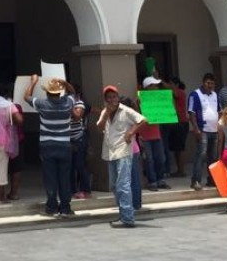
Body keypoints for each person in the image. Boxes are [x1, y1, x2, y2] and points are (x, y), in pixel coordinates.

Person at [24, 74, 79, 217]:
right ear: (59, 92)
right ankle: (65, 208)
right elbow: (73, 92)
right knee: (64, 178)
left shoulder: (42, 104)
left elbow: (26, 96)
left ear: (47, 92)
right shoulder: (68, 103)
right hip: (64, 145)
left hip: (47, 145)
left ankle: (51, 207)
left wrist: (33, 82)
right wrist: (64, 82)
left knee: (50, 178)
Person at [97, 85, 147, 228]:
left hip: (123, 150)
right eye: (109, 97)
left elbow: (142, 120)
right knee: (114, 185)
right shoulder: (105, 112)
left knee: (123, 184)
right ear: (106, 100)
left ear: (118, 98)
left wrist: (131, 132)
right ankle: (123, 213)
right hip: (109, 151)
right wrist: (106, 114)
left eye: (114, 97)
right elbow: (99, 127)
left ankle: (128, 217)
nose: (112, 100)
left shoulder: (126, 111)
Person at [187, 73, 221, 191]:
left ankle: (212, 180)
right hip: (203, 130)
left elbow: (219, 111)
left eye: (212, 83)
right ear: (203, 82)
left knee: (213, 156)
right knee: (201, 155)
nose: (210, 85)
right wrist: (196, 129)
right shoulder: (195, 94)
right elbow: (191, 113)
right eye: (208, 83)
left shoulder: (215, 95)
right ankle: (195, 180)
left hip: (215, 130)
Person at [139, 76, 169, 190]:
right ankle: (152, 181)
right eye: (154, 85)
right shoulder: (140, 99)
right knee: (149, 159)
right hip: (145, 135)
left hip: (156, 133)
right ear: (148, 87)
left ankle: (161, 180)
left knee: (160, 157)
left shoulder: (160, 99)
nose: (156, 88)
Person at [69, 82, 92, 198]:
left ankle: (86, 190)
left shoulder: (79, 103)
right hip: (67, 139)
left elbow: (77, 116)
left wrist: (69, 105)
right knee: (70, 166)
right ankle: (73, 190)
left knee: (80, 165)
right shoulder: (62, 103)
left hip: (79, 138)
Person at [164, 76, 188, 177]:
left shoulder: (180, 92)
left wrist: (160, 80)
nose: (169, 86)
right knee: (176, 149)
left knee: (180, 149)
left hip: (181, 123)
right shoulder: (173, 93)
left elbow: (173, 92)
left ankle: (181, 170)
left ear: (176, 85)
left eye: (171, 84)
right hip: (175, 122)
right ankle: (179, 170)